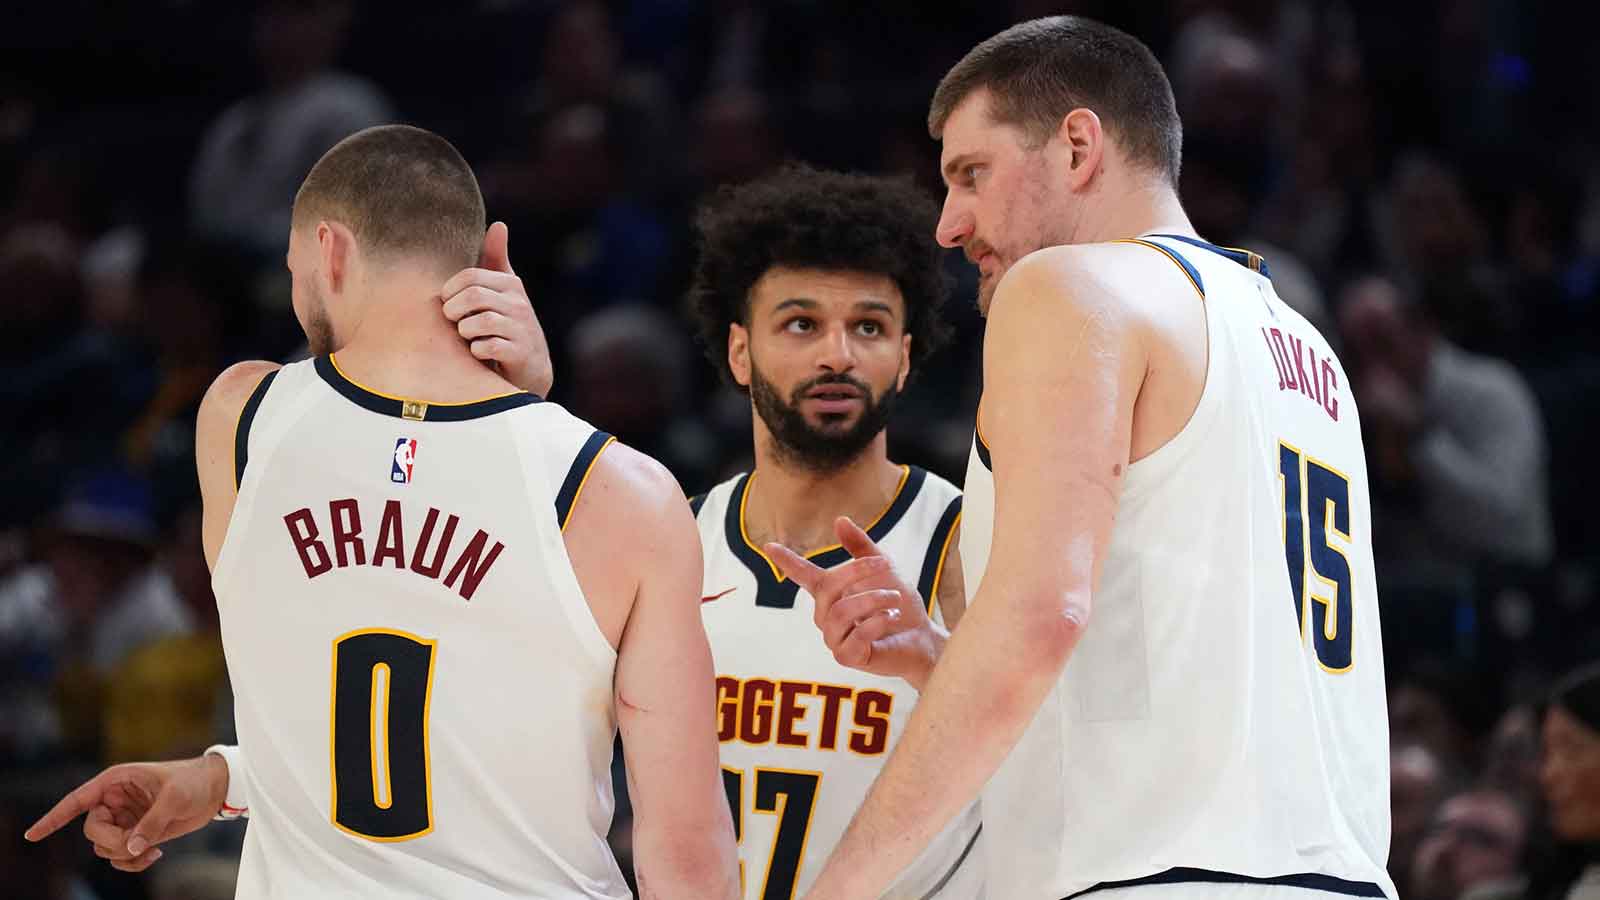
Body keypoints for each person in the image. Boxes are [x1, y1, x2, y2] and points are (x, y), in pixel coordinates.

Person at [766, 16, 1395, 899]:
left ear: (1077, 144)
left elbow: (1038, 618)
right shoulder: (1307, 350)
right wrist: (938, 661)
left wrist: (835, 891)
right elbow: (1183, 664)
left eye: (970, 175)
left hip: (1154, 879)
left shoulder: (1070, 287)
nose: (948, 225)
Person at [26, 124, 737, 899]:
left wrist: (225, 777)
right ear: (485, 256)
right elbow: (684, 849)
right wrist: (532, 405)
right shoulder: (622, 491)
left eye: (297, 272)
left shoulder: (238, 419)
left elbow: (341, 678)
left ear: (329, 251)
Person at [686, 165, 982, 898]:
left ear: (905, 358)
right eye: (801, 323)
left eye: (870, 327)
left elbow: (1062, 766)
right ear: (739, 351)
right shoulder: (677, 540)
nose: (838, 355)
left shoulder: (967, 543)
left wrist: (934, 662)